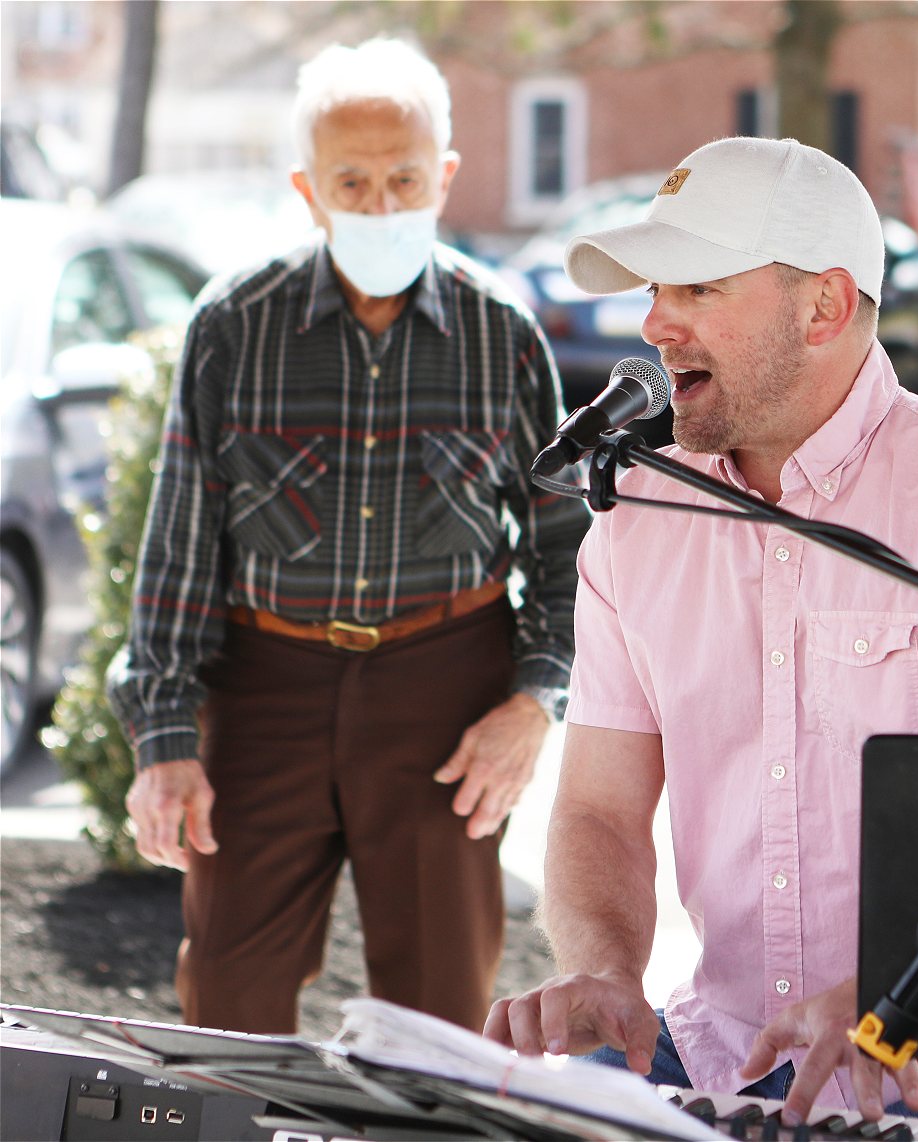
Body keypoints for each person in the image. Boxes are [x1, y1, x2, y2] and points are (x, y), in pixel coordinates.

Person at [484, 137, 918, 1140]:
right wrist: (600, 970)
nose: (655, 324)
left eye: (699, 287)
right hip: (733, 1045)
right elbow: (596, 812)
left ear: (824, 307)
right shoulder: (636, 521)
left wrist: (897, 994)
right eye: (656, 290)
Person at [107, 38, 589, 1036]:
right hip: (262, 685)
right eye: (352, 182)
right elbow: (179, 549)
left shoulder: (504, 334)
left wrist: (532, 702)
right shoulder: (232, 326)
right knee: (227, 1001)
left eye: (403, 179)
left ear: (443, 176)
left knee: (439, 1010)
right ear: (307, 187)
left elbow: (565, 547)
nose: (379, 205)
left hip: (443, 692)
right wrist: (161, 740)